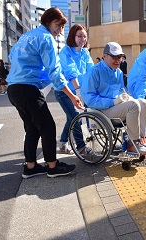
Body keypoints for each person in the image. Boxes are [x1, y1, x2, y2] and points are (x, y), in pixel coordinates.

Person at [6, 7, 83, 178]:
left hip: (13, 89)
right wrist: (72, 96)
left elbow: (12, 57)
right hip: (28, 88)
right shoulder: (46, 38)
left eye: (63, 26)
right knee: (48, 126)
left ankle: (31, 166)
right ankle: (53, 167)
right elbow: (55, 72)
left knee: (32, 128)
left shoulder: (26, 36)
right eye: (58, 24)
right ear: (47, 21)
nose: (60, 30)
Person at [81, 42, 146, 155]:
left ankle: (141, 139)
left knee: (144, 103)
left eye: (119, 57)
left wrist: (127, 97)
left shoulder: (118, 73)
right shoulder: (94, 71)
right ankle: (133, 144)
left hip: (115, 107)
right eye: (114, 56)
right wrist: (113, 101)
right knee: (134, 105)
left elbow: (122, 90)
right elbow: (89, 99)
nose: (117, 60)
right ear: (104, 56)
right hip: (100, 111)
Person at [55, 23, 94, 154]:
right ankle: (81, 147)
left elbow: (91, 70)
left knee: (71, 118)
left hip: (79, 90)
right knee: (75, 116)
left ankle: (62, 142)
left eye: (85, 36)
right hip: (64, 91)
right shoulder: (66, 52)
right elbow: (71, 72)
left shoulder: (85, 52)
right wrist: (77, 90)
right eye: (79, 36)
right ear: (73, 36)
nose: (82, 39)